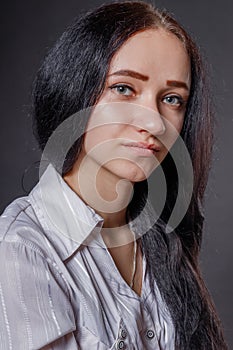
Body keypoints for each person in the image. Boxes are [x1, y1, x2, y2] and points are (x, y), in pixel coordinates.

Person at [0, 1, 228, 349]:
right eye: (124, 89)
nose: (153, 122)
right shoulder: (21, 252)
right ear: (75, 88)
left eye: (172, 98)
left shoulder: (162, 242)